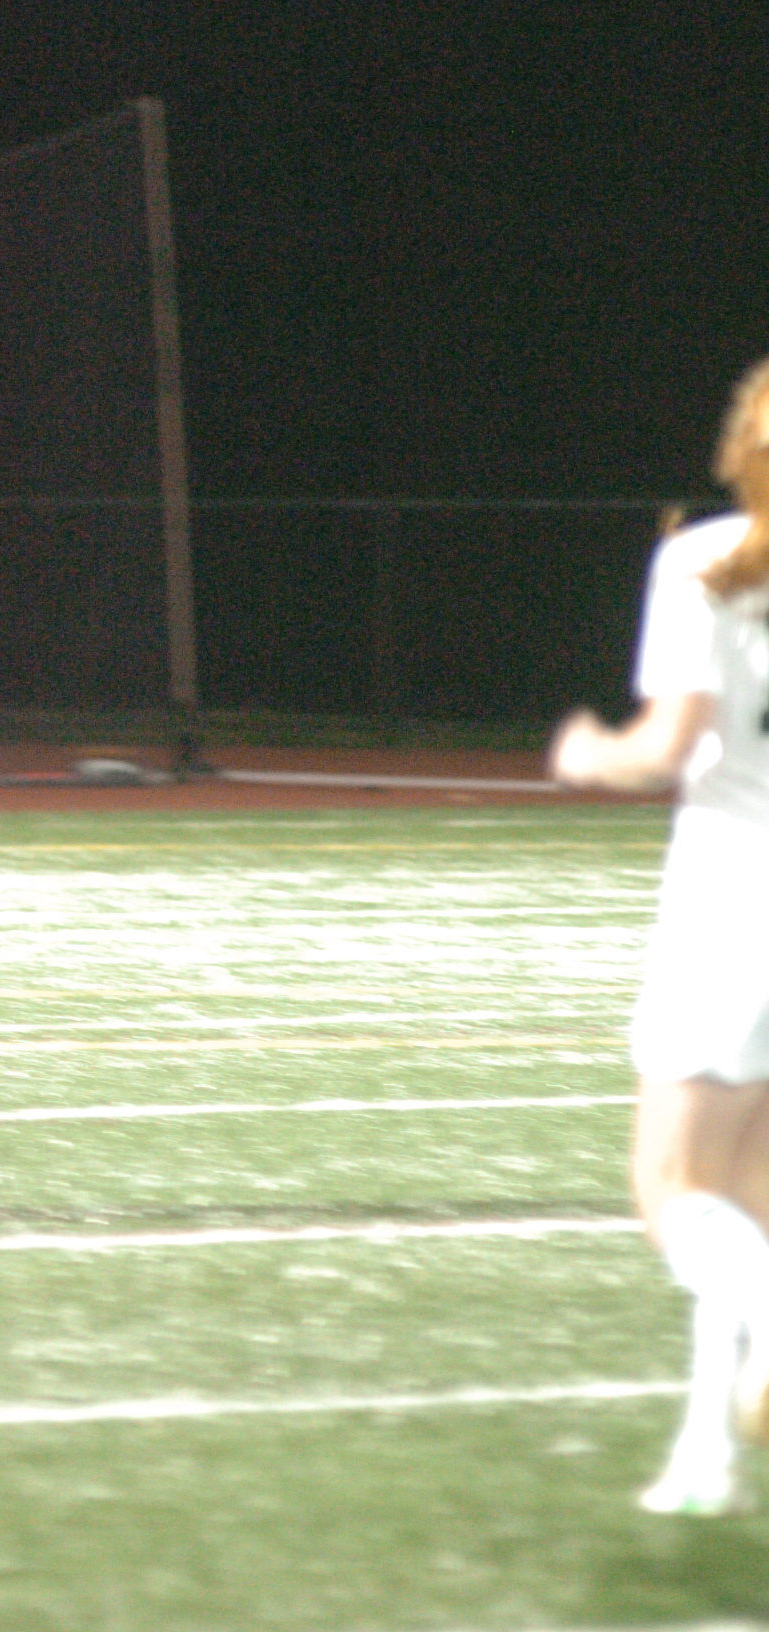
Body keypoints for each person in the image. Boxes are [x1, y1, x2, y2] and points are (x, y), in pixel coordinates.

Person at [550, 353, 769, 1515]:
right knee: (746, 1186)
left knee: (671, 1186)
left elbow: (665, 748)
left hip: (736, 893)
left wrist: (590, 752)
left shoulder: (703, 562)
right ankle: (704, 1453)